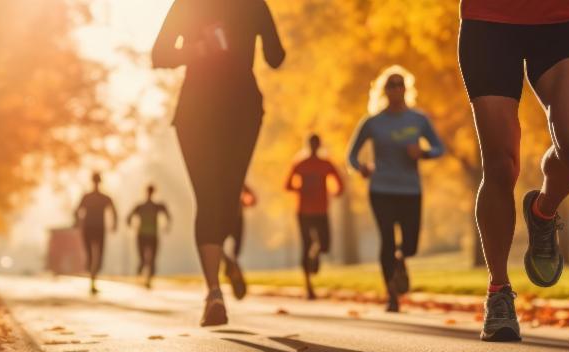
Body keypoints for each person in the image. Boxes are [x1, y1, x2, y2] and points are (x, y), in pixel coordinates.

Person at [458, 0, 569, 342]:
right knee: (501, 164)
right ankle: (499, 292)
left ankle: (543, 211)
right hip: (489, 22)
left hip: (560, 21)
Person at [152, 0, 285, 326]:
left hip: (239, 112)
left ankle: (221, 259)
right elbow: (159, 55)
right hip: (199, 114)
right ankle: (214, 293)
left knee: (228, 197)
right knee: (210, 197)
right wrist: (199, 50)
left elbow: (275, 55)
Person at [347, 68, 445, 313]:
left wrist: (423, 153)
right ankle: (391, 294)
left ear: (406, 88)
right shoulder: (372, 122)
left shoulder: (418, 119)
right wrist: (362, 168)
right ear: (384, 91)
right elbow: (351, 155)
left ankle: (402, 261)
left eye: (399, 84)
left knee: (410, 245)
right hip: (381, 189)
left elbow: (439, 147)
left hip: (410, 190)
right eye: (391, 85)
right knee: (387, 240)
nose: (396, 89)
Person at [284, 134, 344, 300]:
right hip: (303, 211)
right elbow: (287, 185)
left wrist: (335, 192)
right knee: (305, 245)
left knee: (325, 245)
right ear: (308, 145)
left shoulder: (326, 164)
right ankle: (308, 287)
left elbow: (340, 184)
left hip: (321, 210)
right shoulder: (300, 164)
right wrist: (301, 190)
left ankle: (316, 253)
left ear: (319, 145)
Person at [74, 172, 118, 295]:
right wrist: (115, 224)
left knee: (93, 256)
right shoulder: (101, 197)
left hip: (90, 228)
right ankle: (93, 278)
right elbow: (114, 211)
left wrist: (77, 222)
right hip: (96, 228)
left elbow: (76, 211)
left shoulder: (89, 197)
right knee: (96, 256)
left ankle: (92, 280)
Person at [127, 185, 171, 289]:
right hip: (146, 235)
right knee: (146, 259)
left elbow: (128, 218)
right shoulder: (142, 206)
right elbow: (129, 218)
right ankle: (145, 277)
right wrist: (167, 225)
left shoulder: (152, 206)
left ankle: (148, 279)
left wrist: (132, 226)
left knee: (150, 259)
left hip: (147, 235)